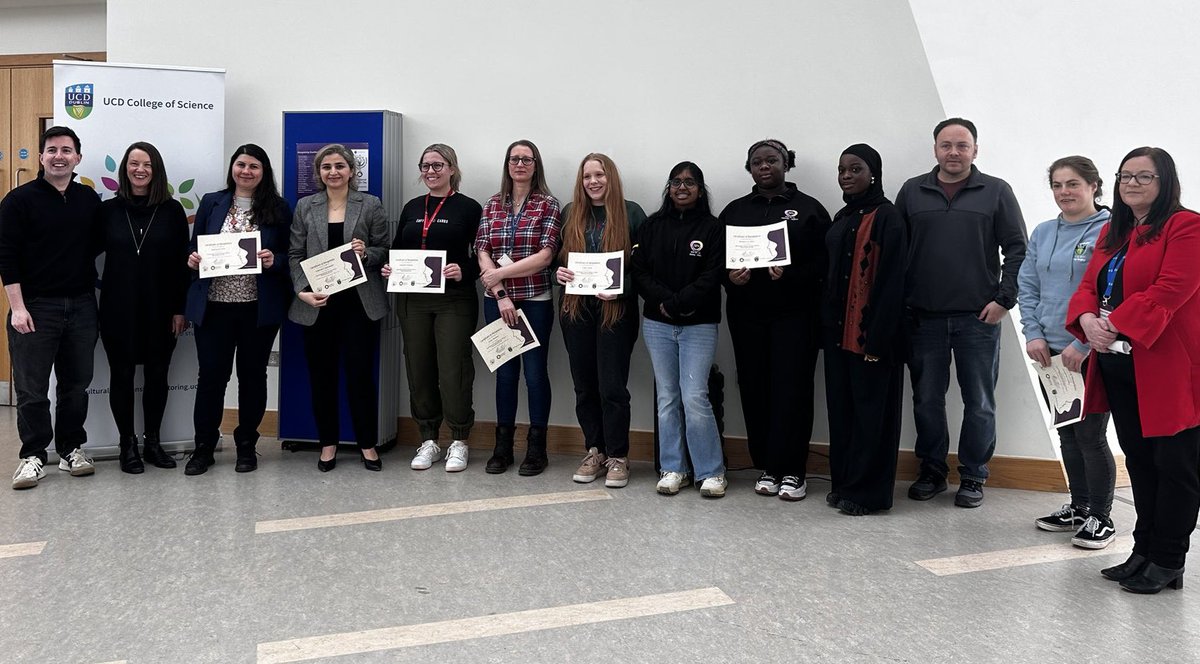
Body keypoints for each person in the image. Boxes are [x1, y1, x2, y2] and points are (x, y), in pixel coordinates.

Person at [1067, 147, 1200, 594]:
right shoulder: (1116, 231)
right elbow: (1088, 285)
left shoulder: (1187, 226)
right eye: (1126, 176)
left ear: (1166, 183)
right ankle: (1143, 550)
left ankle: (1168, 559)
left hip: (1166, 368)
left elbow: (1172, 288)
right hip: (1120, 366)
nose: (1132, 184)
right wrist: (1087, 321)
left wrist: (1112, 323)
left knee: (1175, 466)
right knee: (1141, 463)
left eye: (1145, 176)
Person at [895, 117, 1027, 508]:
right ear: (935, 148)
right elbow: (896, 251)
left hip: (978, 319)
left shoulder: (997, 191)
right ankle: (932, 471)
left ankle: (973, 475)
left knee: (980, 401)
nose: (954, 152)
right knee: (926, 400)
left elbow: (1018, 248)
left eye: (962, 145)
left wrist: (1005, 299)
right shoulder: (912, 192)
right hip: (924, 318)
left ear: (975, 150)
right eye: (946, 145)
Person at [720, 139, 830, 501]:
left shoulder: (809, 210)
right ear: (749, 168)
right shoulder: (734, 211)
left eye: (772, 160)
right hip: (747, 317)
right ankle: (767, 465)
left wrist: (793, 273)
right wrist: (729, 277)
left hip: (795, 317)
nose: (764, 166)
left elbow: (825, 264)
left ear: (786, 164)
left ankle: (794, 470)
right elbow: (716, 264)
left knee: (792, 390)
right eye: (757, 162)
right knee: (754, 388)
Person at [1019, 156, 1115, 548]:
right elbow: (1029, 287)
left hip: (1091, 352)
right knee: (1068, 435)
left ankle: (1100, 517)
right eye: (1057, 185)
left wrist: (1083, 344)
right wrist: (1035, 334)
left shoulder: (1111, 231)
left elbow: (1112, 292)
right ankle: (1078, 506)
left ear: (1094, 185)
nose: (1064, 193)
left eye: (1072, 184)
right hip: (1051, 355)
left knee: (1091, 435)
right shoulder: (1043, 232)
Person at [2, 126, 102, 489]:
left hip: (81, 306)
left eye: (66, 150)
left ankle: (72, 449)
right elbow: (7, 257)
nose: (59, 156)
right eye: (52, 150)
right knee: (32, 388)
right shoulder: (18, 200)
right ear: (42, 157)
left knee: (76, 386)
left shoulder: (88, 200)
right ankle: (33, 456)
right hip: (34, 308)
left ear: (78, 157)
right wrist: (18, 308)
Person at [185, 144, 292, 475]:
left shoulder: (279, 207)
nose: (246, 171)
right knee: (212, 378)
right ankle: (204, 447)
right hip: (214, 307)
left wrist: (276, 261)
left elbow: (293, 255)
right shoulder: (211, 202)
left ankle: (247, 445)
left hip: (256, 309)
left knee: (252, 377)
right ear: (232, 167)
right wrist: (192, 260)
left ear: (264, 172)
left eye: (254, 166)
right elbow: (194, 247)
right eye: (241, 164)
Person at [289, 144, 389, 472]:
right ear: (318, 173)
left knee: (360, 375)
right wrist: (302, 290)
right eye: (326, 167)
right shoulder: (306, 206)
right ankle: (328, 444)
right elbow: (294, 254)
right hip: (318, 303)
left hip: (359, 304)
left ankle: (367, 444)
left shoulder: (370, 204)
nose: (333, 172)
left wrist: (366, 253)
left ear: (351, 170)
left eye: (339, 166)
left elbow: (383, 250)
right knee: (322, 376)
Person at [382, 144, 481, 473]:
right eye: (425, 166)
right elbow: (397, 250)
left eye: (438, 165)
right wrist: (389, 268)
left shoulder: (469, 208)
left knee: (454, 369)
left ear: (452, 168)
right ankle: (428, 438)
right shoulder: (411, 207)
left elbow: (481, 256)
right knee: (419, 368)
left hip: (453, 299)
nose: (431, 171)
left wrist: (461, 269)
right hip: (413, 300)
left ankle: (459, 439)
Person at [822, 144, 908, 515]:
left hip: (872, 338)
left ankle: (869, 494)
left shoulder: (887, 216)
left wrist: (879, 338)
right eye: (841, 169)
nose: (846, 175)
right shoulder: (843, 215)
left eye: (855, 169)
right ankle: (844, 484)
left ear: (873, 173)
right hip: (838, 337)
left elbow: (893, 282)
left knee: (874, 416)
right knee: (843, 413)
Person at [631, 162, 726, 498]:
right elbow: (638, 272)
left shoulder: (713, 228)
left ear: (700, 189)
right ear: (668, 188)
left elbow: (713, 274)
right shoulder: (652, 226)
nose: (682, 187)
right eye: (675, 182)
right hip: (658, 324)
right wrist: (665, 302)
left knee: (695, 396)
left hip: (698, 324)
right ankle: (674, 468)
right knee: (667, 397)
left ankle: (711, 472)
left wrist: (680, 301)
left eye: (689, 182)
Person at [97, 142, 190, 474]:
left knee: (157, 376)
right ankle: (127, 446)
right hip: (117, 309)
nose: (140, 170)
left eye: (147, 165)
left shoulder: (172, 210)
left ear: (156, 170)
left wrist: (180, 309)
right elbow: (82, 252)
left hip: (162, 309)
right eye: (134, 164)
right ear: (125, 168)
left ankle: (153, 442)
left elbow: (184, 265)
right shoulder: (107, 211)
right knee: (121, 376)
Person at [554, 153, 645, 489]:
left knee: (612, 387)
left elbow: (646, 267)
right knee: (584, 386)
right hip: (576, 310)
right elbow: (557, 259)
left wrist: (622, 290)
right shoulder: (570, 213)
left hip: (616, 312)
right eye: (587, 176)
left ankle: (619, 455)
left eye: (599, 175)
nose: (593, 182)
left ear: (612, 178)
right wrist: (558, 274)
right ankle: (595, 450)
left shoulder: (632, 212)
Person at [475, 140, 562, 476]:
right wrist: (500, 292)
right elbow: (481, 249)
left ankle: (536, 450)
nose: (520, 164)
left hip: (536, 300)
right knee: (505, 375)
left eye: (527, 159)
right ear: (507, 164)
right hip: (498, 301)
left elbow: (544, 257)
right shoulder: (492, 204)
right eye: (515, 158)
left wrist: (500, 273)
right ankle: (502, 448)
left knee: (536, 375)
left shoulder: (548, 205)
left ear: (536, 165)